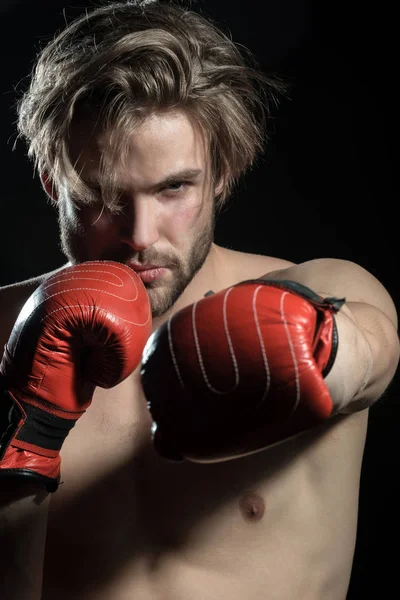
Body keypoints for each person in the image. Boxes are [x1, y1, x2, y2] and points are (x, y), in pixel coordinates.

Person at [0, 1, 398, 598]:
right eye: (102, 195)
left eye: (173, 188)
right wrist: (30, 433)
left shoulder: (320, 291)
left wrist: (323, 354)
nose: (139, 235)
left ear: (224, 173)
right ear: (54, 181)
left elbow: (374, 351)